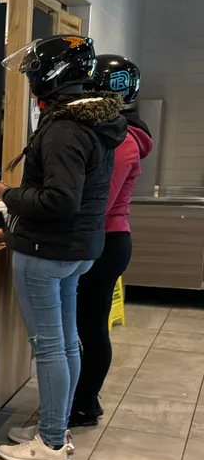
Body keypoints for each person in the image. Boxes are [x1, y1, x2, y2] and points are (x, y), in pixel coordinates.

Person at [0, 36, 126, 460]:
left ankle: (49, 444)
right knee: (64, 345)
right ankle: (54, 427)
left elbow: (59, 200)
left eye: (31, 73)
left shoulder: (63, 128)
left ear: (50, 76)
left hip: (49, 251)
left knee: (50, 348)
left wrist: (10, 195)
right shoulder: (91, 121)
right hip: (77, 249)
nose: (28, 80)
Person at [69, 55, 153, 427]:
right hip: (105, 238)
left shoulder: (119, 139)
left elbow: (97, 203)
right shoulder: (116, 133)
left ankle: (84, 404)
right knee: (88, 324)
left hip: (105, 241)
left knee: (90, 327)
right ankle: (84, 399)